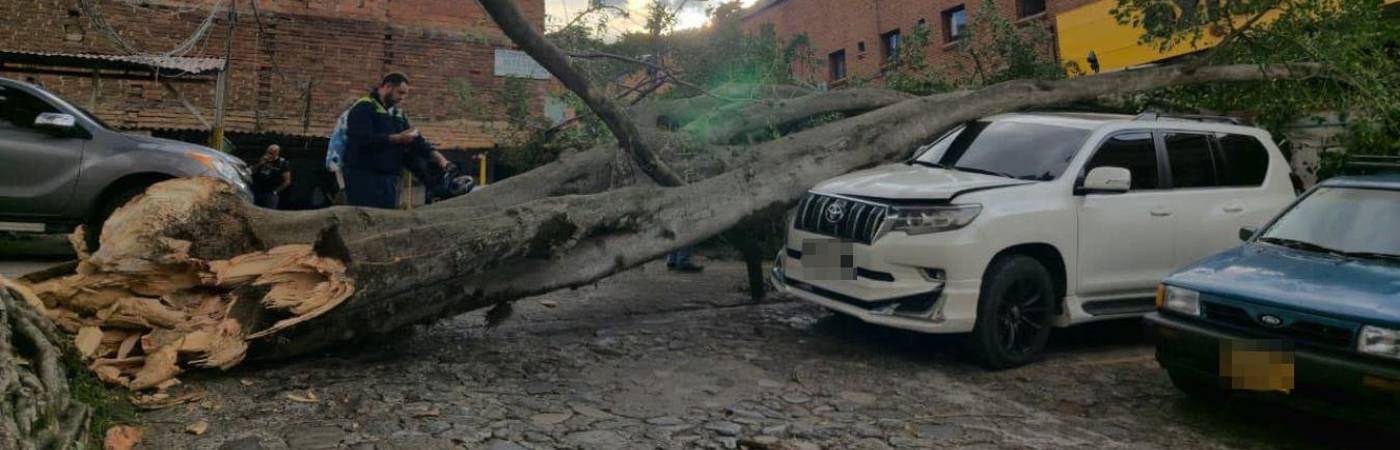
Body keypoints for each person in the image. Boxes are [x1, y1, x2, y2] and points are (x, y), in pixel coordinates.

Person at [343, 72, 455, 208]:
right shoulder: (364, 107)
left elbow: (416, 140)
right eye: (400, 93)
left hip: (389, 178)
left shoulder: (398, 114)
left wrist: (440, 159)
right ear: (388, 86)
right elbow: (361, 140)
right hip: (364, 177)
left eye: (405, 94)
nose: (402, 98)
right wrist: (398, 138)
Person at [250, 144, 291, 209]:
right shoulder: (262, 159)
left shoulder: (282, 163)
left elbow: (287, 181)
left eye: (272, 153)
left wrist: (275, 191)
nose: (269, 154)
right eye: (268, 152)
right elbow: (251, 171)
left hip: (270, 193)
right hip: (256, 191)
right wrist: (260, 164)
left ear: (277, 152)